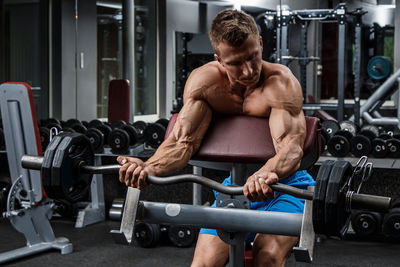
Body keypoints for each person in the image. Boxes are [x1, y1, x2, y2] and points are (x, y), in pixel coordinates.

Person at [117, 9, 315, 267]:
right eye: (235, 63)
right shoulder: (205, 83)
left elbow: (291, 148)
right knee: (203, 264)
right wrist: (147, 167)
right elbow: (182, 142)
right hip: (234, 187)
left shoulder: (280, 84)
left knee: (266, 257)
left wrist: (265, 174)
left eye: (253, 57)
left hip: (286, 187)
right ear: (219, 60)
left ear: (261, 44)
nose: (247, 71)